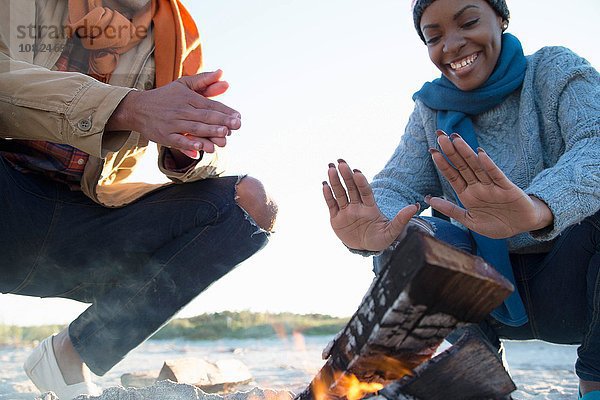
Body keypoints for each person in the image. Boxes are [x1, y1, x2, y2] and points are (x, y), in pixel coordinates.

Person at [0, 0, 277, 398]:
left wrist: (189, 144)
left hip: (81, 231)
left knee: (249, 201)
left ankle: (68, 353)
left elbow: (204, 154)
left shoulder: (176, 35)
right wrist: (127, 108)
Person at [322, 0, 599, 397]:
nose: (450, 45)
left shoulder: (553, 70)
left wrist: (540, 206)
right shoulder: (431, 109)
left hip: (574, 287)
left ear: (501, 19)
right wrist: (374, 226)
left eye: (468, 22)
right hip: (480, 298)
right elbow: (398, 184)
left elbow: (595, 141)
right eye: (433, 37)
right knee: (409, 233)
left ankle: (596, 385)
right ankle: (475, 380)